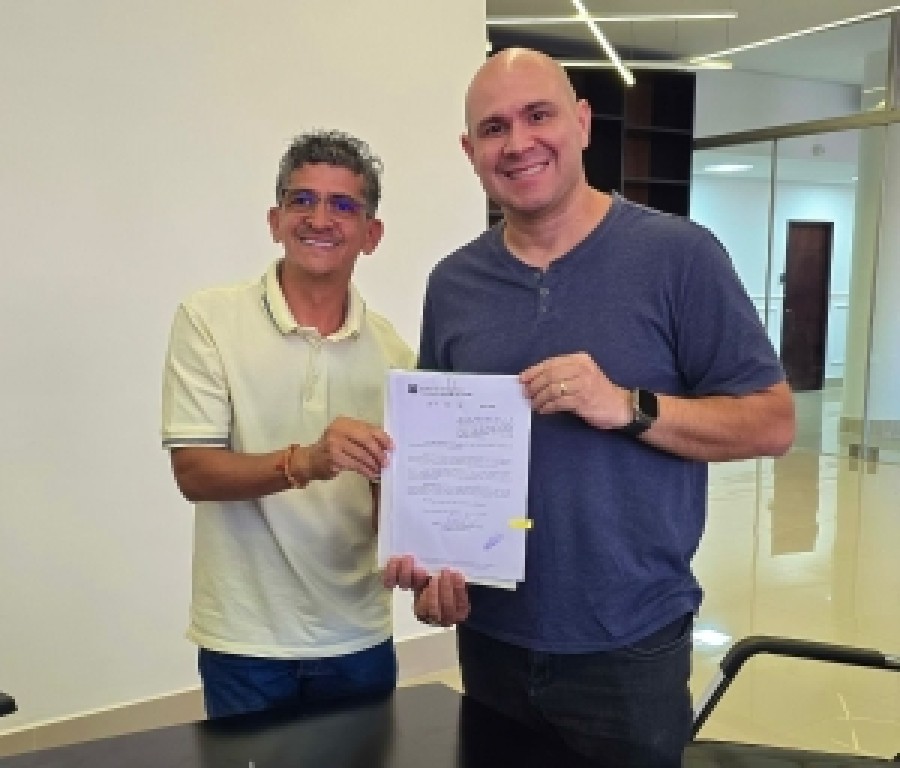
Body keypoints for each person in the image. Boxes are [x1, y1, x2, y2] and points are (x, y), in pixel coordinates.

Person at [384, 49, 796, 765]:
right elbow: (442, 459)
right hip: (493, 636)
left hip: (629, 644)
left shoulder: (680, 257)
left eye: (538, 115)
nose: (518, 142)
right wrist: (432, 572)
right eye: (493, 128)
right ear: (469, 152)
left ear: (581, 123)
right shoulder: (453, 284)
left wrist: (630, 406)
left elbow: (773, 420)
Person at [161, 129, 415, 719]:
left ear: (372, 234)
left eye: (342, 205)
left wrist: (429, 556)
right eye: (302, 200)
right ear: (275, 220)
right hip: (245, 640)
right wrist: (308, 461)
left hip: (359, 636)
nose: (319, 219)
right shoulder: (208, 320)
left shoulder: (396, 357)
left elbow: (395, 507)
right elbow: (193, 472)